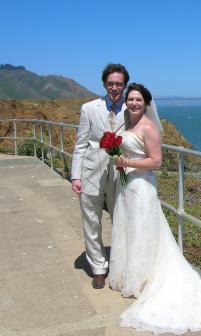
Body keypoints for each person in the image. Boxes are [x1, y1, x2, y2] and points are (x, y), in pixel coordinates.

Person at [108, 83, 201, 334]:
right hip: (126, 187)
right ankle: (132, 277)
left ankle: (145, 280)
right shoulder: (126, 126)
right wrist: (118, 160)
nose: (134, 103)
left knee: (144, 231)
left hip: (142, 188)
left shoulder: (149, 127)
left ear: (147, 102)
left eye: (138, 99)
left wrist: (126, 161)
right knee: (130, 231)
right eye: (130, 99)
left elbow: (156, 161)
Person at [71, 63, 130, 289]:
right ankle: (98, 267)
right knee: (91, 221)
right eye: (111, 83)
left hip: (120, 172)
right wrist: (75, 176)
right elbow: (80, 144)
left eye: (119, 84)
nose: (115, 88)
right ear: (105, 84)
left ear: (124, 85)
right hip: (90, 171)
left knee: (121, 219)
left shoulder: (132, 106)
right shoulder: (89, 108)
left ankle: (120, 262)